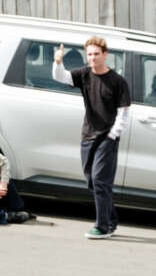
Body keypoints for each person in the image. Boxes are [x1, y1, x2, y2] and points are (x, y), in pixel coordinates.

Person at [51, 37, 131, 238]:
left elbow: (124, 112)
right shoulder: (84, 75)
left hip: (107, 138)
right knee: (92, 181)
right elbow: (62, 77)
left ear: (105, 54)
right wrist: (58, 61)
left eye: (96, 54)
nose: (93, 58)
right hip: (88, 135)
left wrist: (113, 135)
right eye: (90, 54)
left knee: (100, 180)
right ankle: (110, 219)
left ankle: (102, 227)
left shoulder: (117, 81)